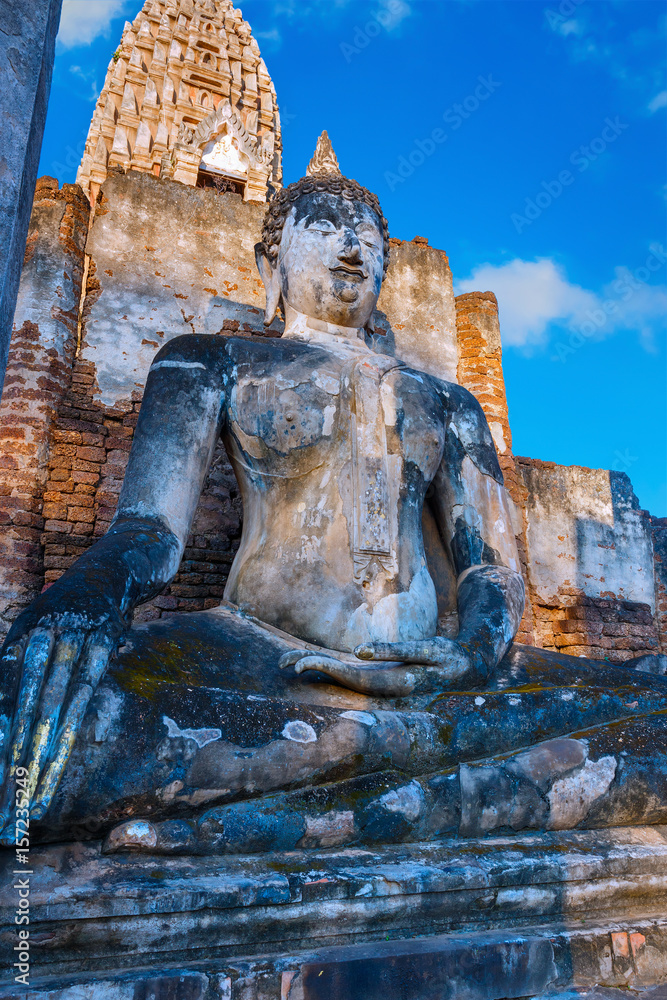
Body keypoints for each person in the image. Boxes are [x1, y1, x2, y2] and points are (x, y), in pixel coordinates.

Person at [1, 136, 665, 854]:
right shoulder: (209, 361)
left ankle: (325, 800)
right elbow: (147, 535)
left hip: (435, 674)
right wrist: (80, 598)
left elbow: (489, 568)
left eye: (369, 239)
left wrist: (472, 651)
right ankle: (411, 780)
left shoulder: (448, 404)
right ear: (271, 261)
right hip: (259, 660)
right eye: (322, 226)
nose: (351, 249)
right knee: (25, 730)